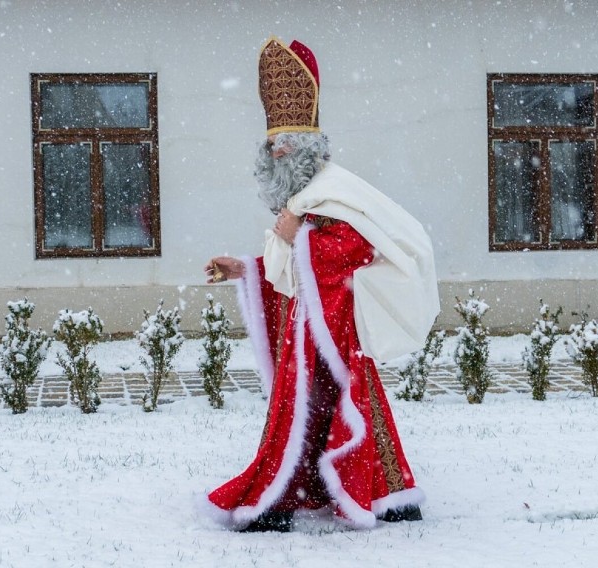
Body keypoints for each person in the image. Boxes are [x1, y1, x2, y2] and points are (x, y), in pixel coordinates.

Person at [199, 37, 440, 532]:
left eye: (284, 142)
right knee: (303, 414)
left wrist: (300, 235)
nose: (276, 150)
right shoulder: (303, 198)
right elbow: (290, 272)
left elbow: (355, 248)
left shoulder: (333, 193)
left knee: (343, 408)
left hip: (337, 331)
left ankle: (368, 495)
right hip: (306, 331)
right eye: (272, 143)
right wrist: (244, 267)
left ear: (307, 147)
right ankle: (300, 492)